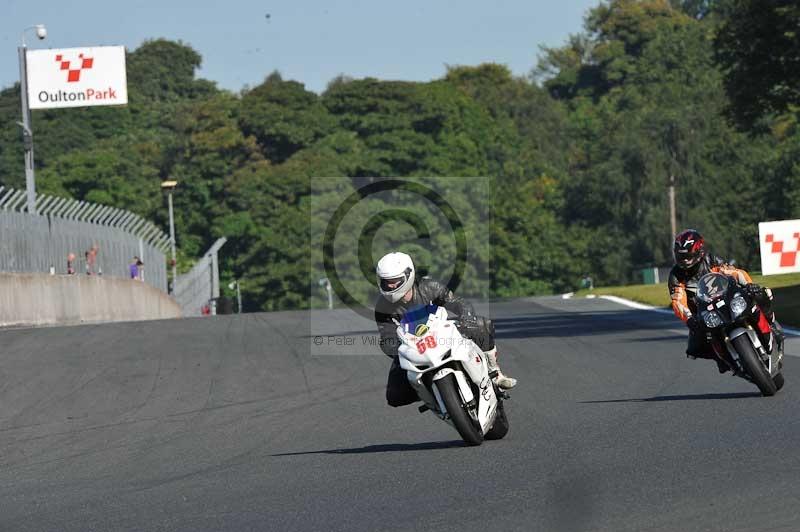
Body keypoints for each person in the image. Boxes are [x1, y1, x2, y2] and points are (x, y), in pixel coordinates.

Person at [374, 251, 517, 408]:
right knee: (394, 397)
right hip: (414, 346)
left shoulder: (429, 287)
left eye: (395, 281)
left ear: (409, 275)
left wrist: (467, 318)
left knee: (481, 325)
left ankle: (495, 373)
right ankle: (431, 393)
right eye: (386, 282)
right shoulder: (382, 307)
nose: (391, 286)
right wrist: (399, 350)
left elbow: (458, 303)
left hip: (442, 331)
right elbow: (387, 336)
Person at [668, 229, 784, 373]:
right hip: (703, 313)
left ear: (699, 251)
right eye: (681, 256)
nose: (684, 260)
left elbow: (733, 272)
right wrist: (689, 319)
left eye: (688, 255)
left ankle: (772, 324)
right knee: (694, 348)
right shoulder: (676, 276)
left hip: (727, 299)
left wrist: (748, 285)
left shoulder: (712, 260)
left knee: (761, 293)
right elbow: (678, 301)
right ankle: (722, 359)